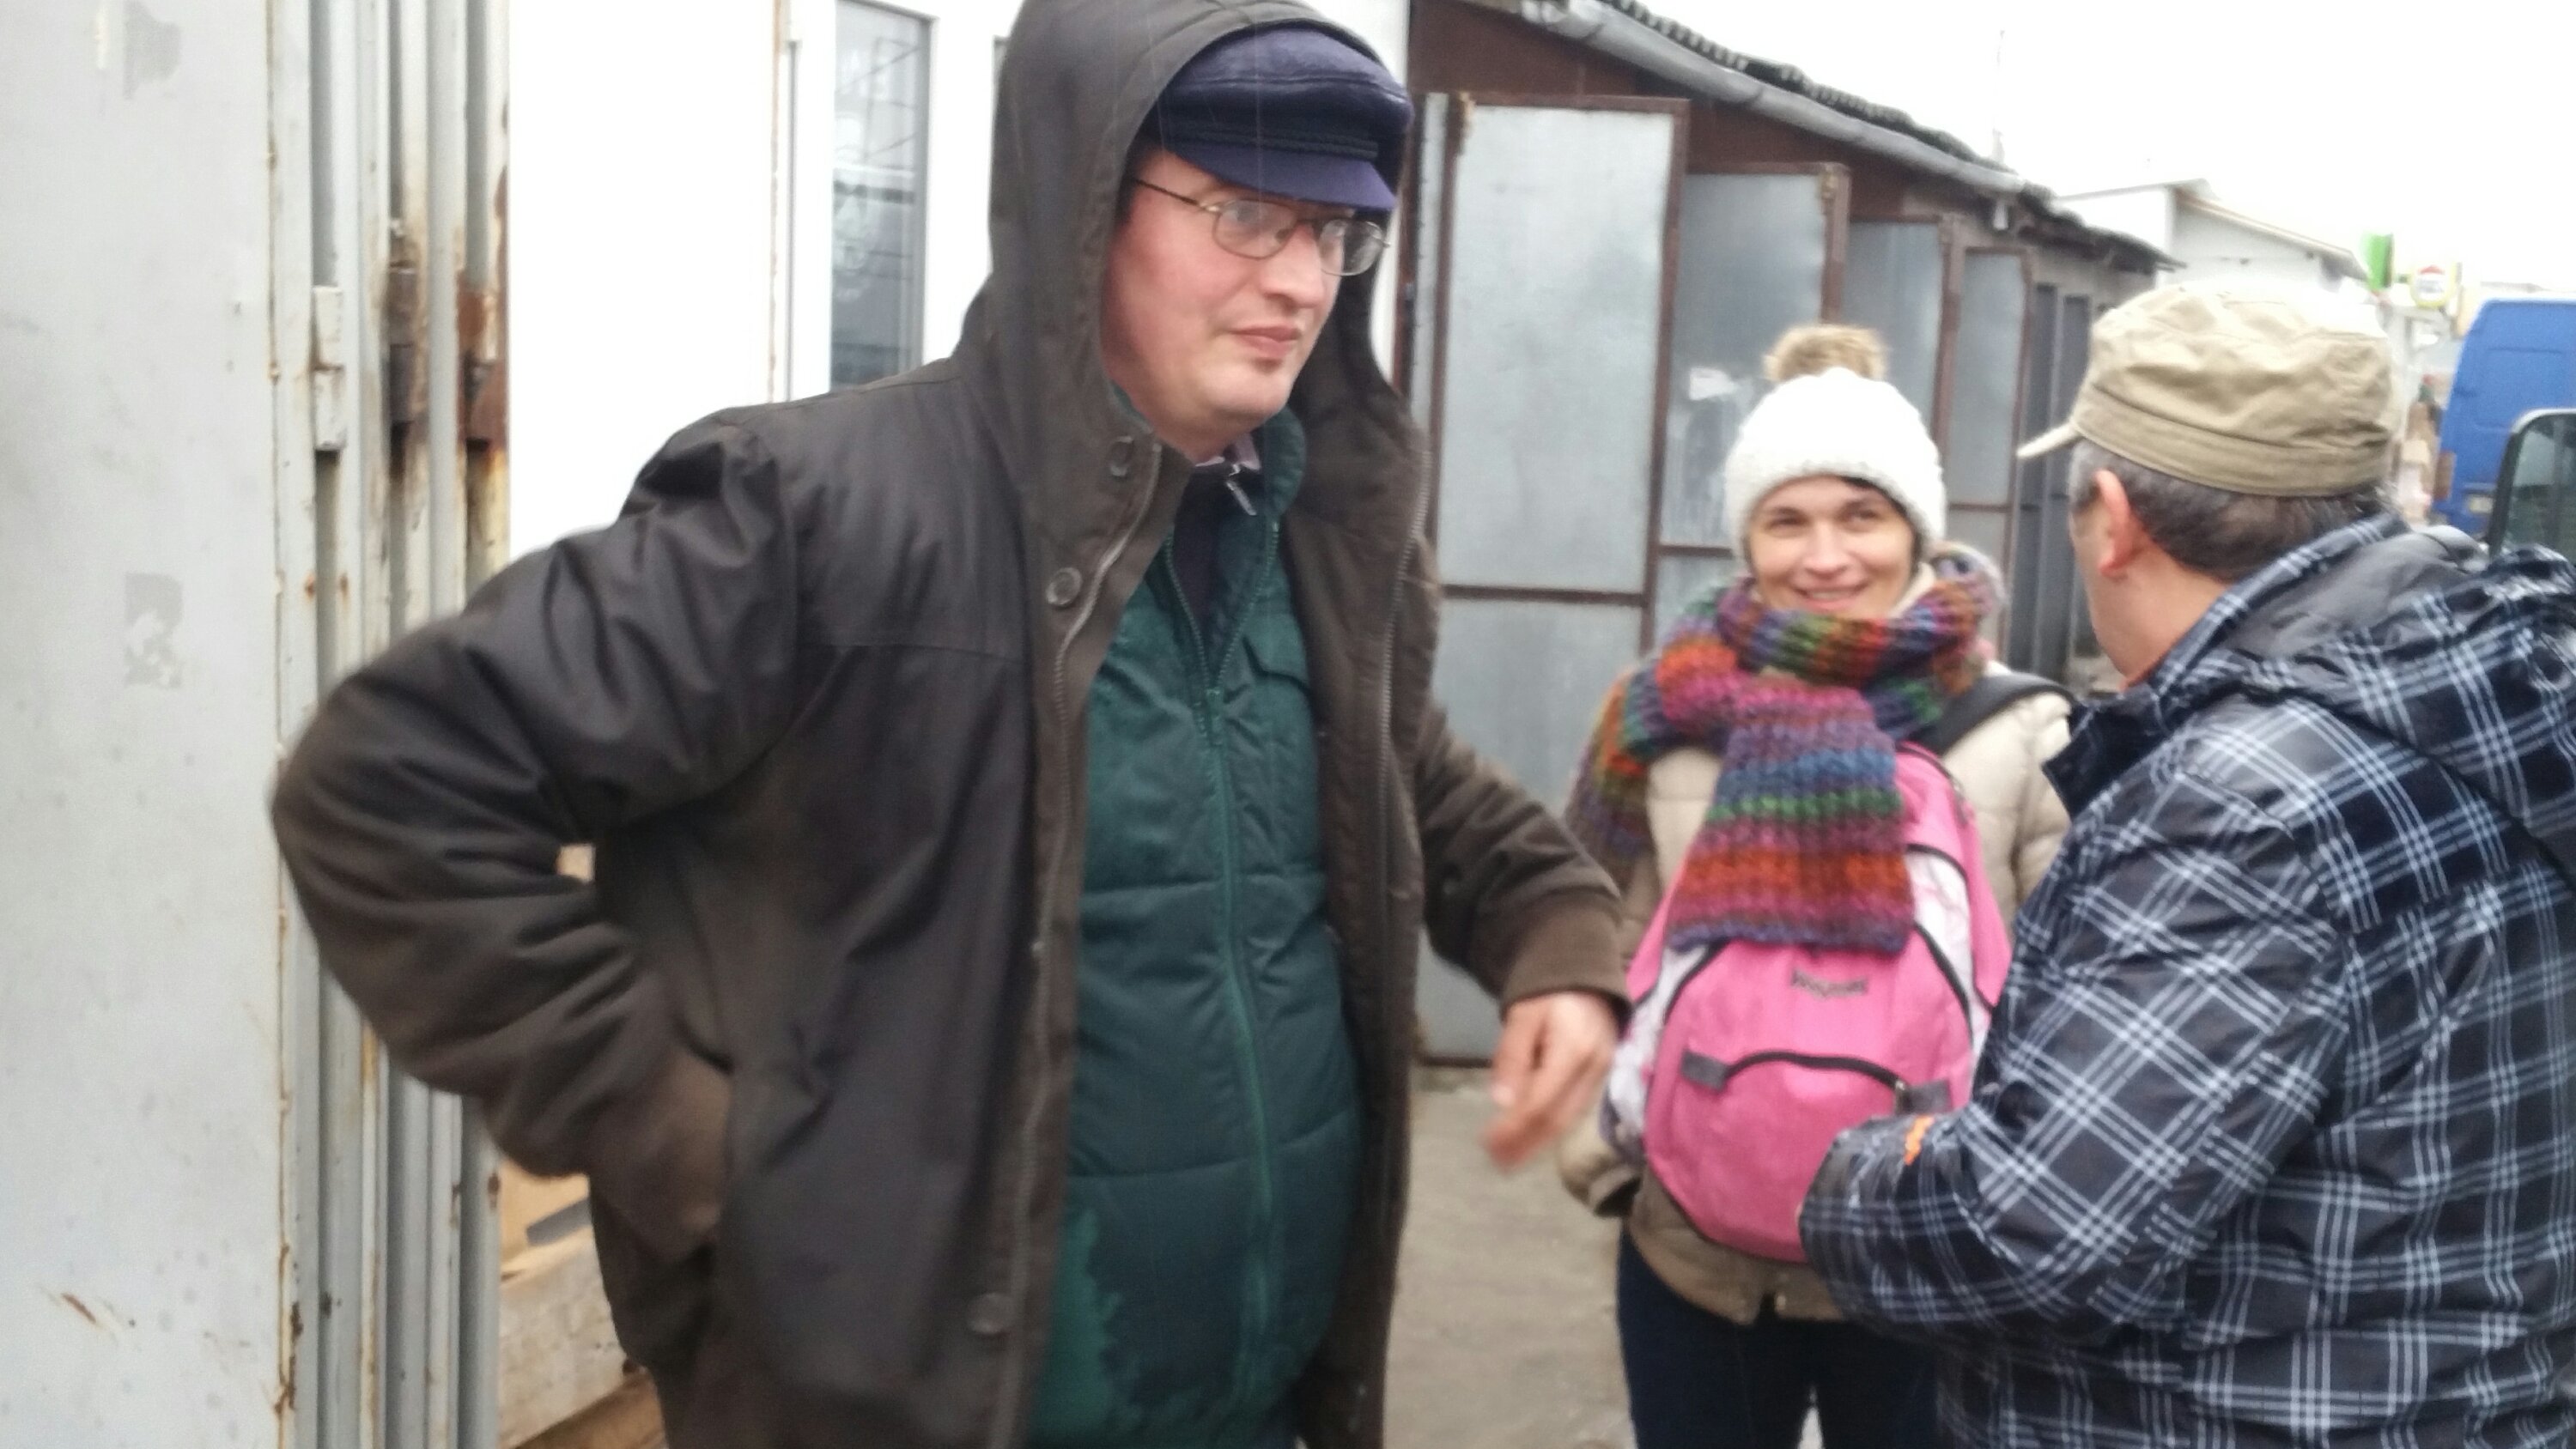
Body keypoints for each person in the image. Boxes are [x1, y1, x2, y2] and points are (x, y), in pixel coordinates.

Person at [268, 8, 1626, 1449]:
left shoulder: (1305, 529)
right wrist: (676, 1130)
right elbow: (387, 785)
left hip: (1262, 1406)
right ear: (1083, 200)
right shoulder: (816, 517)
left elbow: (1394, 770)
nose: (1297, 279)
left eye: (1334, 232)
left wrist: (1551, 925)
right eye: (1243, 215)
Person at [1801, 287, 2576, 1447]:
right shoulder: (2486, 686)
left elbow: (2035, 1233)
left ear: (2114, 522)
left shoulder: (2241, 804)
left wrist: (1855, 1175)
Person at [1558, 324, 2072, 1449]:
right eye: (1786, 521)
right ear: (1746, 537)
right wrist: (1611, 1159)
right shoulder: (1663, 711)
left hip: (1935, 1257)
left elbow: (2080, 995)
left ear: (1916, 529)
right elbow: (1592, 932)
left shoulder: (2022, 729)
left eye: (1861, 516)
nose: (1825, 557)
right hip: (1697, 1258)